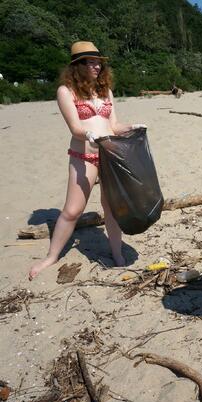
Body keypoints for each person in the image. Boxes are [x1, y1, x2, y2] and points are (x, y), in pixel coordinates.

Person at [29, 42, 146, 280]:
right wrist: (90, 135)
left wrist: (132, 127)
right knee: (72, 210)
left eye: (98, 62)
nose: (96, 66)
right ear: (77, 66)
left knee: (112, 209)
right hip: (84, 155)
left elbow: (113, 126)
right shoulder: (66, 91)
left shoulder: (105, 91)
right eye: (90, 62)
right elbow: (75, 128)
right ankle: (51, 257)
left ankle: (116, 253)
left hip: (110, 155)